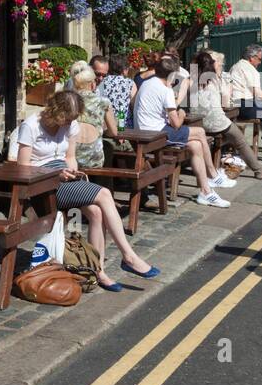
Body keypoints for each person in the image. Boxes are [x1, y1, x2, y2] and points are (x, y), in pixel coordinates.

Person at [15, 90, 159, 291]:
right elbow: (22, 168)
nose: (69, 124)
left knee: (97, 212)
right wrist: (55, 174)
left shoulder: (71, 125)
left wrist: (74, 170)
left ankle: (97, 270)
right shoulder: (31, 126)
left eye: (72, 119)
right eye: (66, 119)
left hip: (65, 179)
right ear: (55, 113)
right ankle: (128, 255)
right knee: (105, 194)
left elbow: (70, 156)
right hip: (42, 184)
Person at [134, 55, 234, 208]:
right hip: (156, 134)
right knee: (200, 132)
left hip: (143, 130)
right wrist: (180, 112)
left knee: (196, 145)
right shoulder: (165, 89)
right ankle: (212, 175)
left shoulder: (146, 84)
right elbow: (176, 124)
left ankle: (205, 192)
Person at [190, 49, 262, 181]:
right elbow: (225, 103)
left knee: (231, 133)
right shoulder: (214, 80)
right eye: (219, 64)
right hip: (214, 122)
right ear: (212, 65)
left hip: (196, 123)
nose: (221, 67)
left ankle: (226, 158)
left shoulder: (190, 78)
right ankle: (260, 171)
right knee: (240, 140)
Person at [73, 65, 118, 169]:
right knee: (108, 147)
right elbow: (114, 132)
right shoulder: (103, 102)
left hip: (70, 157)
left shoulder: (68, 100)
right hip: (94, 160)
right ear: (92, 84)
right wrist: (101, 131)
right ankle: (106, 184)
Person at [99, 52, 137, 129]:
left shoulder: (101, 81)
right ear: (124, 70)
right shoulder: (130, 83)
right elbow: (135, 106)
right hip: (124, 126)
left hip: (105, 125)